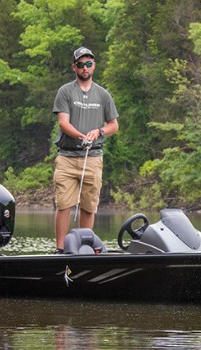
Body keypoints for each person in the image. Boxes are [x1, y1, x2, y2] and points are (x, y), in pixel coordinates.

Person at [51, 46, 119, 254]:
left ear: (94, 66)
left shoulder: (103, 95)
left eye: (88, 63)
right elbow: (63, 122)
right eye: (81, 64)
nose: (85, 67)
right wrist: (81, 136)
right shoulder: (65, 91)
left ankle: (83, 248)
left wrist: (98, 132)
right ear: (75, 67)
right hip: (67, 157)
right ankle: (61, 249)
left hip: (93, 158)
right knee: (63, 203)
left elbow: (113, 125)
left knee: (89, 205)